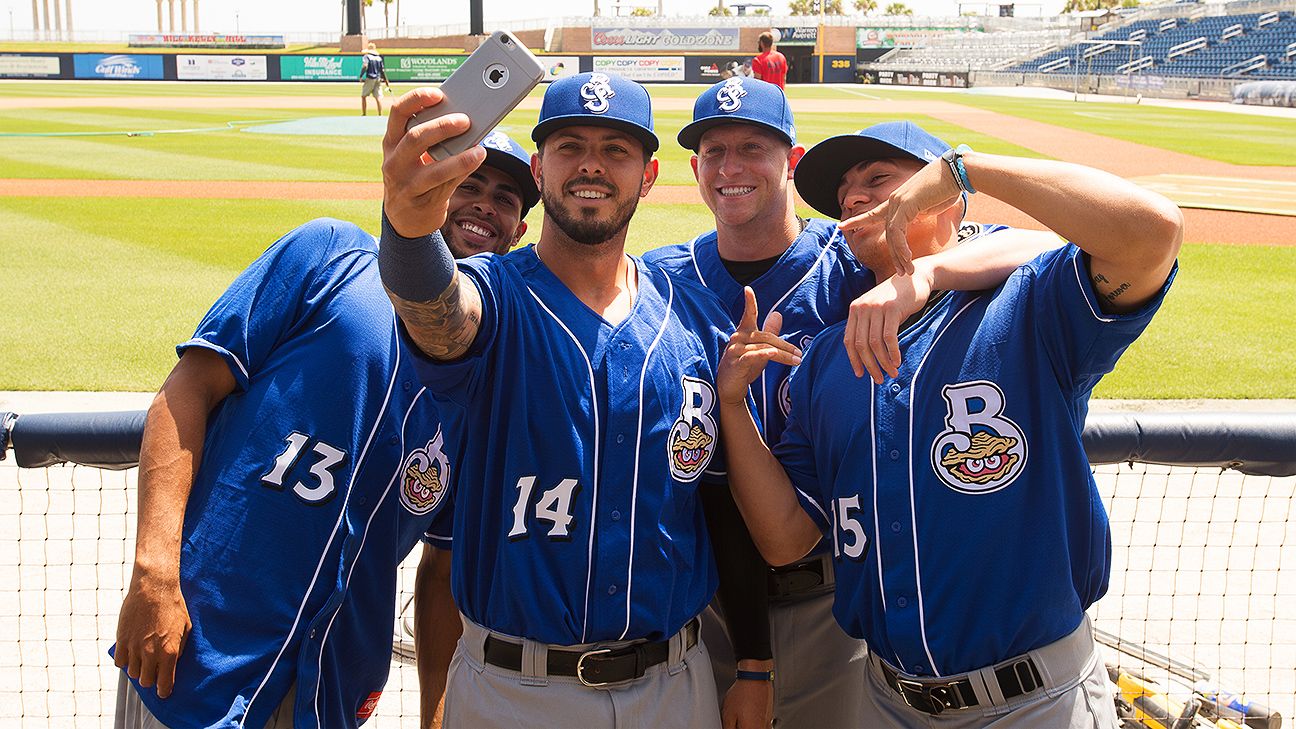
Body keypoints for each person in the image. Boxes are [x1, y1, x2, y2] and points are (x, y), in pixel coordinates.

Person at [715, 121, 1182, 725]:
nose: (854, 197)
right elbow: (783, 540)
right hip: (884, 700)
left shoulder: (1029, 306)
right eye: (845, 193)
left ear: (947, 199)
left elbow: (1152, 233)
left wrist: (968, 169)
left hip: (1035, 700)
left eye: (879, 179)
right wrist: (732, 406)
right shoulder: (825, 361)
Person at [378, 72, 795, 728]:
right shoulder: (495, 298)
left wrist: (753, 662)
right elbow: (436, 313)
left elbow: (717, 503)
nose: (592, 164)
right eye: (570, 146)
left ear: (650, 176)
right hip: (515, 692)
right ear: (540, 170)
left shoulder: (693, 319)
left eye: (617, 149)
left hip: (675, 686)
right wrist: (407, 229)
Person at [647, 80, 1066, 729]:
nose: (730, 168)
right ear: (696, 169)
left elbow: (1036, 247)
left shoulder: (856, 257)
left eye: (753, 147)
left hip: (835, 596)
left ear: (790, 158)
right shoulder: (660, 278)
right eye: (713, 151)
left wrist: (922, 273)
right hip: (704, 601)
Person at [111, 131, 537, 729]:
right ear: (433, 187)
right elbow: (185, 391)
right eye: (469, 184)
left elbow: (440, 571)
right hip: (199, 644)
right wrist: (153, 574)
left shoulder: (489, 370)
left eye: (506, 198)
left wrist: (435, 716)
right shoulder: (329, 252)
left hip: (333, 679)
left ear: (518, 232)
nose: (486, 204)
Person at [360, 41, 391, 116]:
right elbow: (382, 70)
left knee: (364, 96)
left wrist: (361, 75)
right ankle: (380, 114)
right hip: (378, 79)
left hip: (370, 78)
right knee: (378, 97)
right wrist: (386, 81)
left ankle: (364, 114)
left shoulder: (367, 56)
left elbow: (365, 66)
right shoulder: (379, 58)